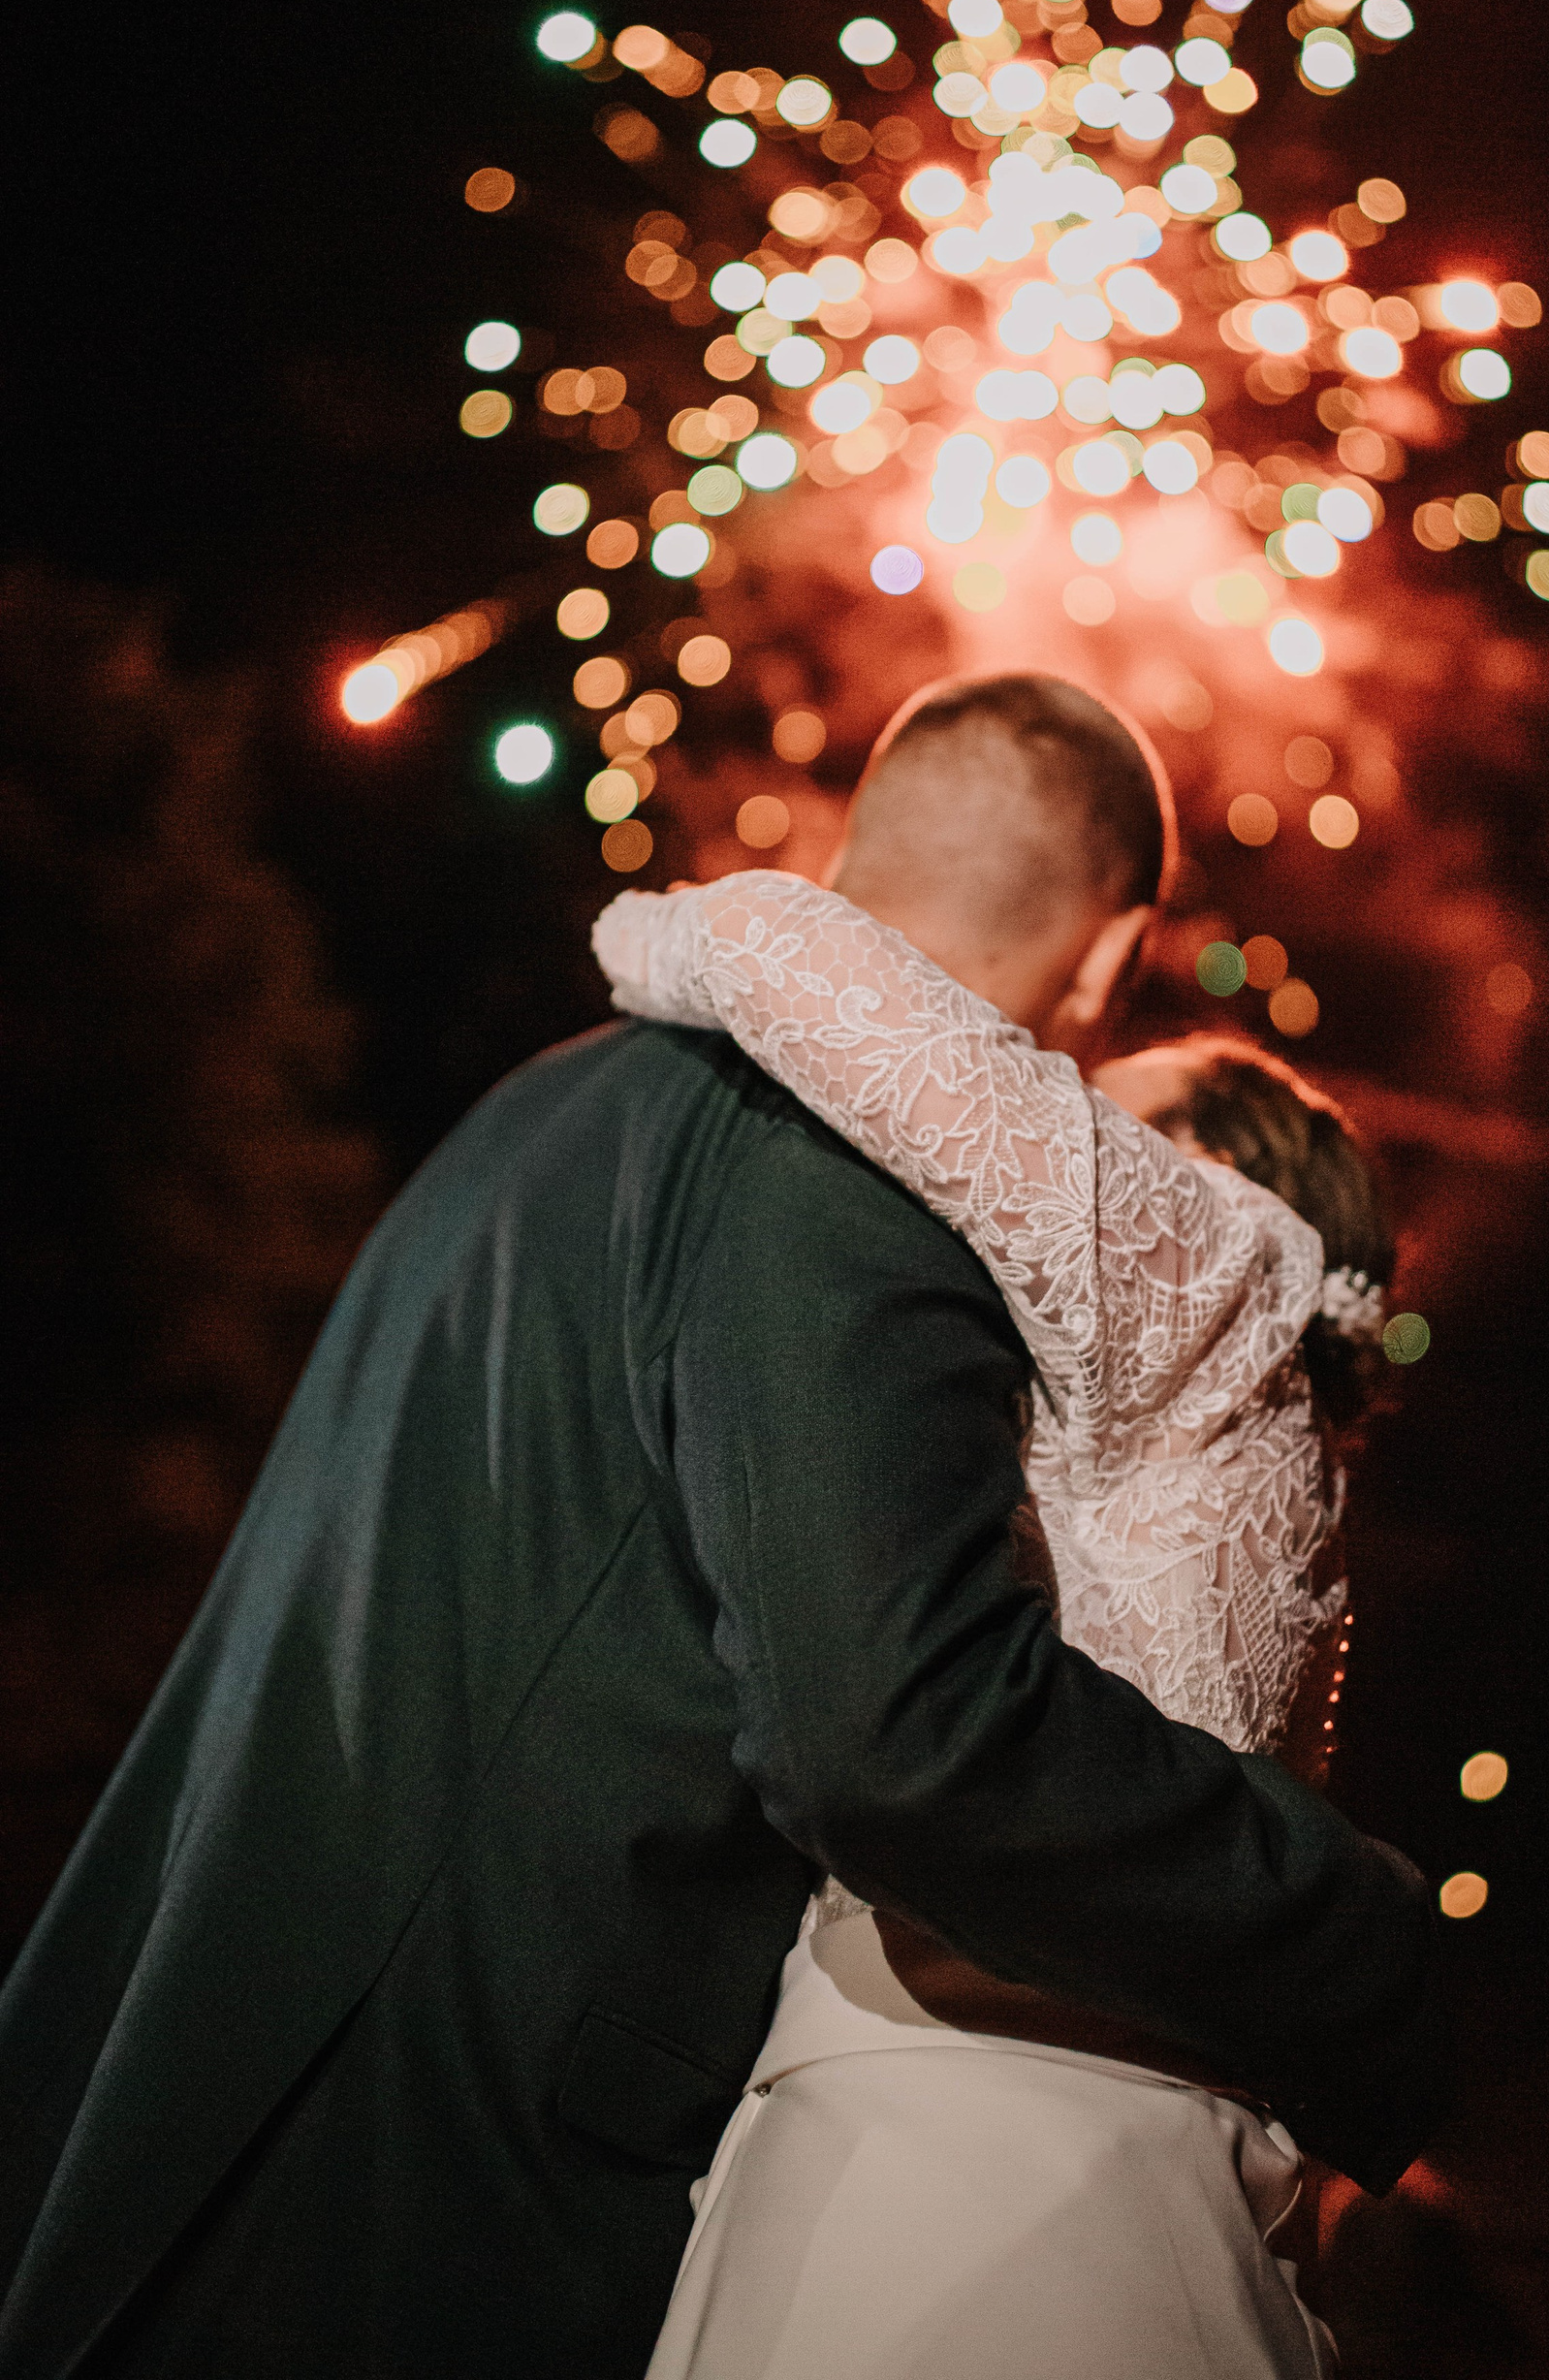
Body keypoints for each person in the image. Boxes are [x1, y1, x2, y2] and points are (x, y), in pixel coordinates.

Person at [0, 674, 1443, 2380]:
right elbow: (895, 1734)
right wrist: (1362, 1947)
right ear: (1110, 954)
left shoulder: (543, 1102)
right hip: (444, 2193)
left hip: (203, 2092)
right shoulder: (845, 1159)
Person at [589, 848, 1402, 2379]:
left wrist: (631, 933)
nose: (1061, 1123)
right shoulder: (1280, 1462)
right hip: (1159, 2156)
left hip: (970, 2166)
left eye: (1102, 1112)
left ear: (1211, 1173)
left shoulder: (1197, 1256)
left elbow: (775, 940)